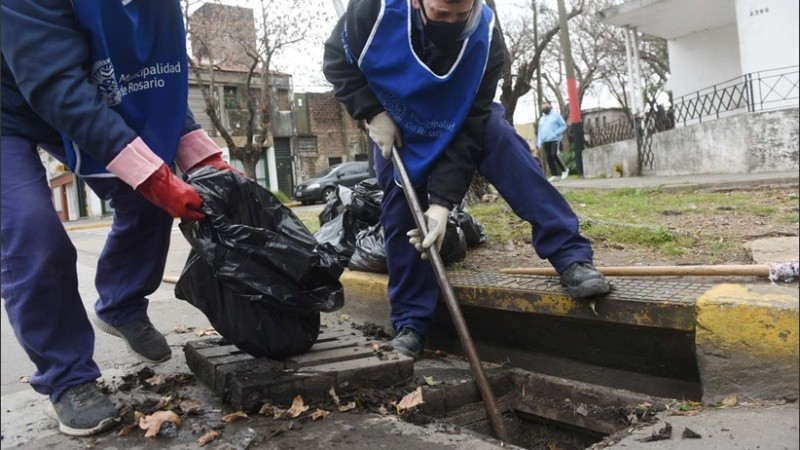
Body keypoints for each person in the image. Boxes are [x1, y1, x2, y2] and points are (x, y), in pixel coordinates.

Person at [323, 0, 610, 361]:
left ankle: (570, 256)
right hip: (395, 120)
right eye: (441, 14)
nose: (452, 23)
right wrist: (369, 110)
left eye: (461, 15)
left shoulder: (486, 35)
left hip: (461, 117)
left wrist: (442, 205)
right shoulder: (373, 11)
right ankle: (412, 322)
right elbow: (337, 60)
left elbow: (472, 126)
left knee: (507, 148)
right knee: (400, 213)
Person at [1, 0, 236, 436]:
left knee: (148, 194)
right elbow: (54, 86)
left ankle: (121, 303)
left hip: (75, 92)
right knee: (32, 234)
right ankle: (68, 377)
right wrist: (152, 175)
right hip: (12, 106)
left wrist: (199, 154)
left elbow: (153, 83)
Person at [537, 101, 570, 182]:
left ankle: (564, 170)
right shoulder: (541, 119)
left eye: (546, 106)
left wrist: (556, 133)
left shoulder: (556, 115)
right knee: (549, 157)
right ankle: (554, 175)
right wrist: (539, 144)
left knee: (554, 154)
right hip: (545, 140)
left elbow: (563, 125)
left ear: (550, 106)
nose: (545, 108)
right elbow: (540, 132)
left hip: (555, 139)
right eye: (543, 107)